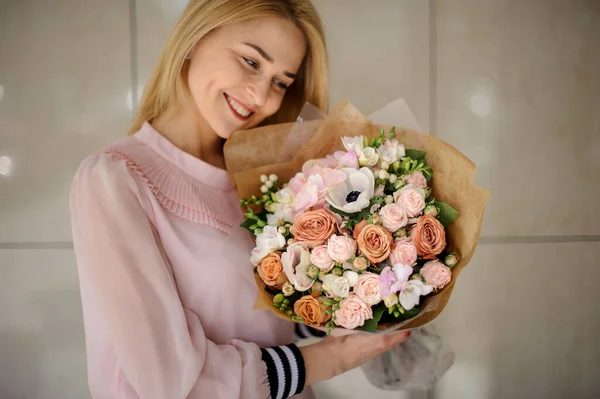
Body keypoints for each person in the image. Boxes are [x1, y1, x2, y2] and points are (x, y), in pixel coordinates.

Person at [70, 1, 409, 398]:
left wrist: (366, 298)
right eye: (251, 61)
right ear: (195, 38)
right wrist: (329, 358)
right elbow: (169, 382)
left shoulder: (266, 179)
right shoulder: (115, 179)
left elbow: (262, 317)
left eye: (281, 82)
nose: (263, 97)